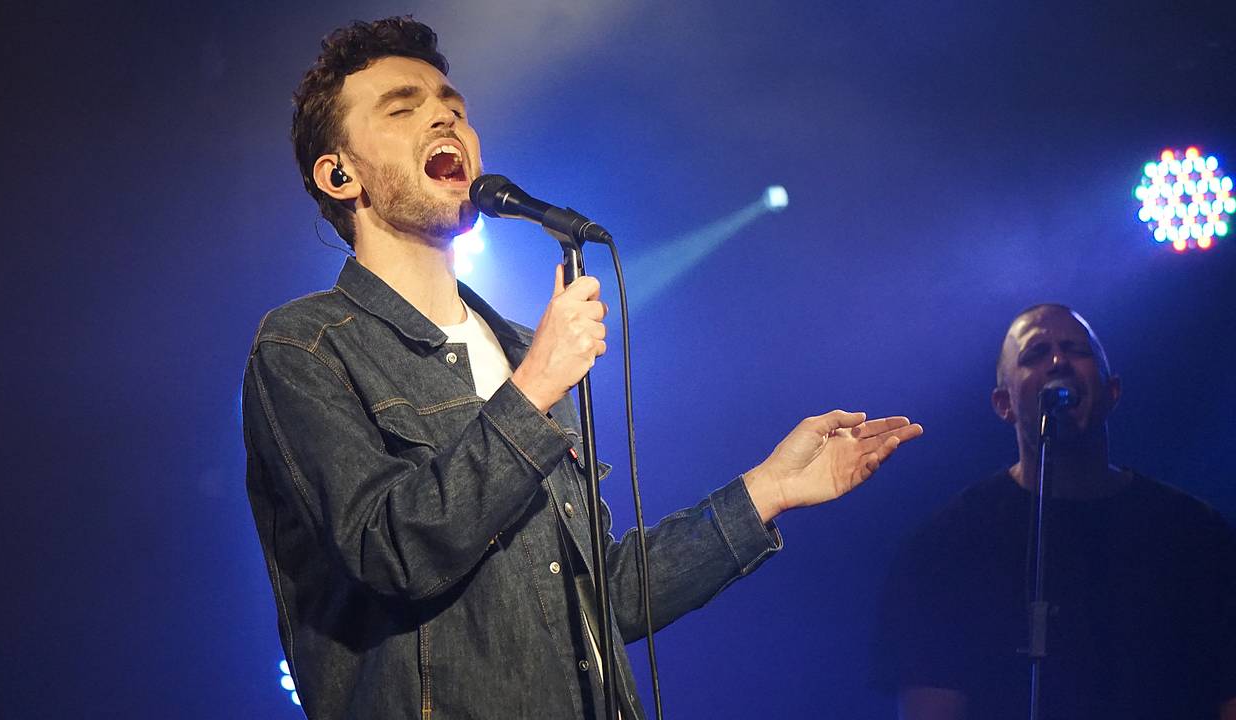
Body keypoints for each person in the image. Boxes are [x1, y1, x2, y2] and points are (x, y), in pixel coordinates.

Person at [241, 16, 922, 720]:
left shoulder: (515, 345)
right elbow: (392, 552)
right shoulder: (306, 347)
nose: (444, 115)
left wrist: (766, 492)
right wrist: (530, 389)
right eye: (403, 107)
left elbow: (600, 598)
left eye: (454, 106)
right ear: (339, 172)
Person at [871, 304, 1236, 720]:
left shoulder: (1194, 533)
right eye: (1035, 354)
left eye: (1075, 350)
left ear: (1112, 391)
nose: (1058, 361)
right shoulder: (945, 546)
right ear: (1003, 403)